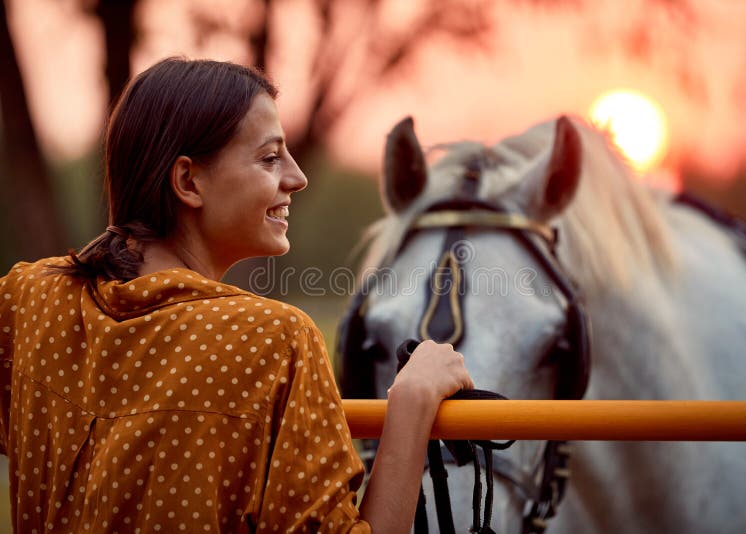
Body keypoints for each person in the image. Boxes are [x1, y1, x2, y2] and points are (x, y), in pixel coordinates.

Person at [0, 58, 473, 533]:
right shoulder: (275, 342)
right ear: (188, 182)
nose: (297, 177)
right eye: (270, 158)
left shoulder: (29, 300)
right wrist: (412, 403)